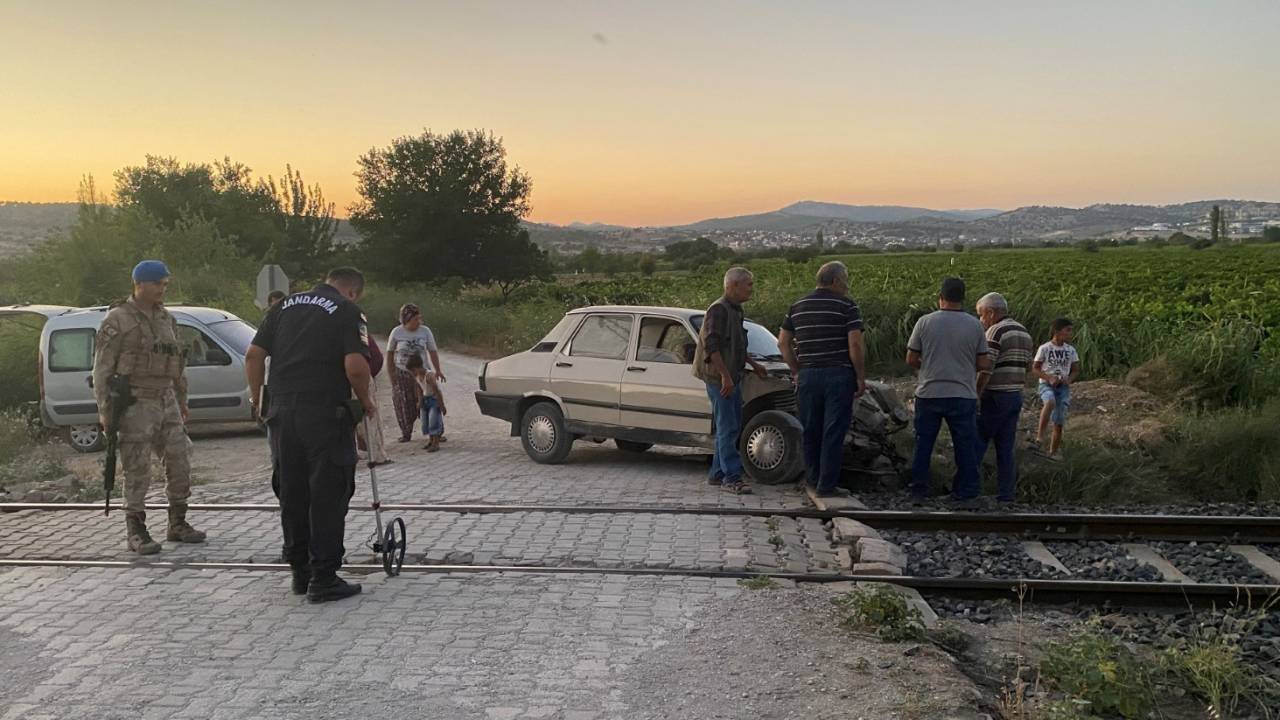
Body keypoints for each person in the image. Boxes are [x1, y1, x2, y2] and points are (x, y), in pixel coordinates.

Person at [245, 267, 374, 603]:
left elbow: (253, 355)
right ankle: (324, 578)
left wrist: (256, 399)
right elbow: (355, 366)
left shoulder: (283, 306)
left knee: (293, 491)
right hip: (324, 414)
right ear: (352, 292)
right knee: (328, 493)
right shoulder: (347, 311)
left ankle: (299, 573)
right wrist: (367, 402)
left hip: (282, 414)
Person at [93, 260, 206, 554]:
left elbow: (176, 364)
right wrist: (105, 411)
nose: (162, 289)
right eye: (158, 283)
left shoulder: (167, 319)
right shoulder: (117, 320)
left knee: (180, 459)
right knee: (138, 465)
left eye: (165, 284)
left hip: (166, 398)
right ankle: (136, 530)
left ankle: (178, 522)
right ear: (140, 284)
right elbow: (102, 370)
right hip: (135, 401)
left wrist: (182, 401)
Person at [777, 261, 866, 498]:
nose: (847, 286)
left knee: (811, 430)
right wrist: (860, 376)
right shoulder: (847, 306)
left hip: (808, 375)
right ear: (835, 281)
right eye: (845, 280)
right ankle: (827, 485)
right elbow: (855, 344)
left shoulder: (797, 305)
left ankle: (812, 479)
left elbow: (783, 342)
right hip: (838, 374)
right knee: (833, 431)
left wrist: (797, 369)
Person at [905, 277, 991, 502]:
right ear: (963, 298)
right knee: (965, 446)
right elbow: (984, 364)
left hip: (929, 393)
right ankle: (966, 493)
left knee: (924, 444)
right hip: (962, 394)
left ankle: (918, 491)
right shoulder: (974, 325)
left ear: (940, 298)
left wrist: (928, 367)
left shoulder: (924, 322)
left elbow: (911, 358)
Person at [692, 267, 767, 495]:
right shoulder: (718, 310)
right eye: (749, 285)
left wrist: (754, 364)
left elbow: (737, 344)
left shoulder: (736, 310)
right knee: (728, 427)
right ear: (734, 285)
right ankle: (731, 478)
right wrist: (725, 376)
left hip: (731, 376)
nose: (751, 289)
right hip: (719, 378)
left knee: (730, 426)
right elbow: (711, 345)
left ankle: (717, 474)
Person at [974, 292, 1035, 502]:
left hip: (996, 394)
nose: (980, 320)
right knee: (1006, 448)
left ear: (991, 313)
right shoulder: (1023, 331)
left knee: (978, 441)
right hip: (1015, 394)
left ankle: (968, 489)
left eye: (981, 315)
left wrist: (976, 394)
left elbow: (986, 369)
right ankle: (1005, 494)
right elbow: (1028, 366)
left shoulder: (995, 331)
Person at [386, 304, 445, 443]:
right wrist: (391, 375)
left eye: (419, 319)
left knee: (430, 401)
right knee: (404, 403)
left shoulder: (425, 331)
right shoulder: (396, 332)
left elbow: (433, 351)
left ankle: (436, 432)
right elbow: (389, 355)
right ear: (406, 319)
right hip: (403, 372)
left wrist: (438, 370)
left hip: (422, 372)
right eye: (415, 319)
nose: (418, 322)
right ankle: (406, 432)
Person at [1032, 318, 1080, 460]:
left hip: (1063, 387)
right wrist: (1049, 378)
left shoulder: (1070, 350)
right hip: (1047, 384)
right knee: (1050, 401)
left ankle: (1053, 453)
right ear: (1057, 331)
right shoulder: (1045, 348)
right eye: (1068, 330)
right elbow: (1035, 368)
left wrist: (1069, 379)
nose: (1070, 333)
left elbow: (1076, 369)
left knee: (1059, 421)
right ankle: (1039, 437)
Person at [356, 335, 391, 465]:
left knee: (368, 417)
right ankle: (374, 453)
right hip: (357, 377)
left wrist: (368, 374)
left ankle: (376, 454)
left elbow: (376, 358)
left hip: (358, 378)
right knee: (368, 418)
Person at [406, 353, 447, 452]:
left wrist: (442, 405)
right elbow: (419, 388)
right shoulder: (417, 376)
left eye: (413, 370)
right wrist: (419, 401)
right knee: (426, 422)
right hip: (425, 399)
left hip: (434, 400)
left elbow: (437, 391)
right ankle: (431, 440)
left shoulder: (429, 376)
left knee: (433, 421)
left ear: (417, 367)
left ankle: (436, 443)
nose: (412, 373)